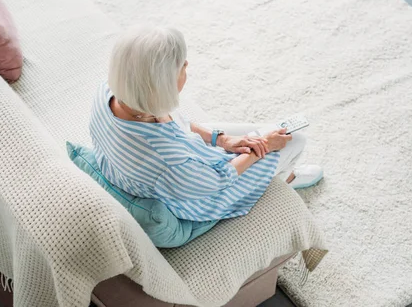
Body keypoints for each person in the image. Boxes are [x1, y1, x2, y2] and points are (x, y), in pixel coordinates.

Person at [90, 26, 323, 222]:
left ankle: (264, 155)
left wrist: (222, 139)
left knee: (265, 131)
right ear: (160, 86)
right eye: (182, 65)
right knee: (294, 141)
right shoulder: (170, 161)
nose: (187, 64)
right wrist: (263, 146)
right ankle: (284, 180)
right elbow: (221, 178)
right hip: (198, 196)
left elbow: (179, 125)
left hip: (173, 167)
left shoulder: (110, 93)